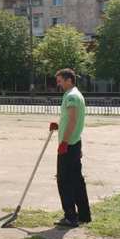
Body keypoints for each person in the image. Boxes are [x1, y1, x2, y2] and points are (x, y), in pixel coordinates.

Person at [50, 68, 91, 228]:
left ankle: (70, 216)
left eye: (60, 81)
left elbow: (73, 120)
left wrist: (64, 142)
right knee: (76, 180)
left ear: (69, 80)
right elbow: (70, 120)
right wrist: (59, 125)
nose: (58, 84)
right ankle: (84, 215)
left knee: (64, 181)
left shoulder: (72, 96)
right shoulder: (75, 94)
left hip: (68, 145)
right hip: (74, 143)